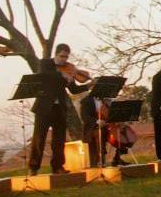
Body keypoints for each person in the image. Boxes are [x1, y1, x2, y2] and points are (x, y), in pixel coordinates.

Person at [28, 44, 90, 175]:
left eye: (66, 57)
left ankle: (58, 167)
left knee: (59, 139)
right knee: (39, 138)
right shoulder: (45, 63)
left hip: (59, 107)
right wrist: (62, 74)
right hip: (44, 106)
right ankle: (33, 167)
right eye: (62, 56)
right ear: (56, 54)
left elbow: (74, 89)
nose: (64, 59)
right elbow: (45, 75)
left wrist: (88, 85)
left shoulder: (68, 69)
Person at [79, 92, 122, 167]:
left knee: (121, 132)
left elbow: (111, 114)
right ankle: (100, 161)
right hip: (92, 129)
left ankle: (117, 159)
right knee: (100, 133)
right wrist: (97, 121)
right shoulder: (86, 101)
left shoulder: (105, 100)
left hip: (107, 126)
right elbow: (84, 116)